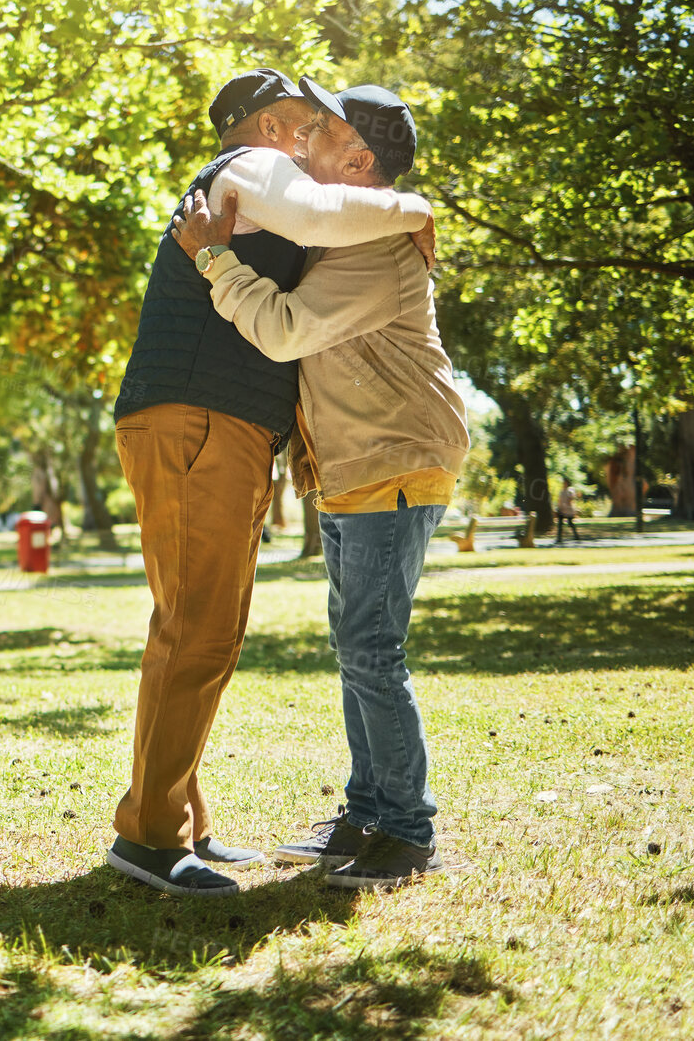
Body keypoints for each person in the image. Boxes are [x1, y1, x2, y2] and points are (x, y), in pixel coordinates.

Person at [106, 69, 435, 897]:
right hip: (196, 418)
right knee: (197, 632)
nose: (304, 136)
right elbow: (318, 215)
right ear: (261, 126)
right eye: (295, 121)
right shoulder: (247, 171)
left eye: (310, 124)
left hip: (219, 426)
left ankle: (179, 824)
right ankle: (148, 840)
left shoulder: (270, 187)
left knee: (202, 630)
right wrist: (419, 206)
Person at [177, 79, 471, 890]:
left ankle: (407, 834)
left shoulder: (373, 245)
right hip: (354, 463)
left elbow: (282, 332)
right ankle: (366, 813)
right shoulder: (351, 230)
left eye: (322, 131)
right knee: (357, 649)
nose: (301, 143)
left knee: (372, 650)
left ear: (357, 157)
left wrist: (211, 258)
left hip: (394, 456)